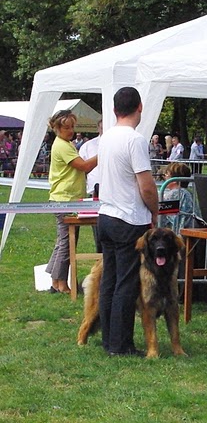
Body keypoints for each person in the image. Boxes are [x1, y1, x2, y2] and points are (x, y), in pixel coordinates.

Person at [98, 87, 158, 356]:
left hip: (106, 216)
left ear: (114, 110)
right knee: (126, 283)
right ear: (140, 107)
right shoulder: (135, 140)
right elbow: (146, 186)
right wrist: (155, 212)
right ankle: (120, 345)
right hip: (129, 218)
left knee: (109, 281)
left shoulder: (106, 137)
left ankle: (108, 339)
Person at [46, 110, 98, 294]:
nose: (71, 131)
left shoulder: (64, 144)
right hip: (65, 200)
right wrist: (103, 153)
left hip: (66, 199)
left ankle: (54, 281)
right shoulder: (63, 146)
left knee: (63, 242)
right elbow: (84, 166)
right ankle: (62, 284)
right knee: (67, 243)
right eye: (66, 127)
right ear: (57, 128)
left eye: (72, 127)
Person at [79, 118, 103, 252]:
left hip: (115, 193)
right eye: (102, 127)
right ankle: (100, 260)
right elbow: (81, 170)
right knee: (98, 233)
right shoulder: (88, 146)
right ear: (98, 128)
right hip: (94, 193)